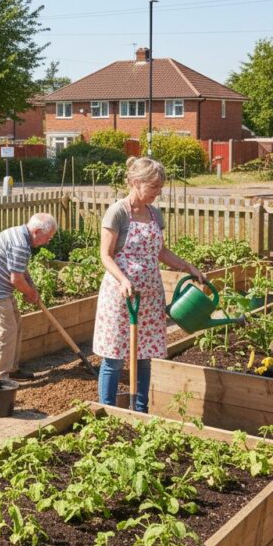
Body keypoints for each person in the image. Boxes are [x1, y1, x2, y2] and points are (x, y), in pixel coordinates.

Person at [94, 156, 207, 412]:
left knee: (145, 356)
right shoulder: (118, 212)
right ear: (136, 182)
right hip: (120, 295)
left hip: (150, 296)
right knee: (113, 357)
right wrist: (123, 280)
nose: (158, 192)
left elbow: (161, 252)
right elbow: (105, 255)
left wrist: (187, 266)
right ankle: (107, 411)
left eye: (160, 187)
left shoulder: (155, 214)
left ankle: (141, 411)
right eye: (154, 186)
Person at [0, 213, 57, 381]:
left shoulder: (21, 236)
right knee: (6, 331)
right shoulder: (20, 244)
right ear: (38, 231)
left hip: (1, 287)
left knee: (16, 324)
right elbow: (16, 279)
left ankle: (11, 369)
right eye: (48, 237)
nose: (48, 241)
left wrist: (31, 288)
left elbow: (21, 270)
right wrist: (30, 293)